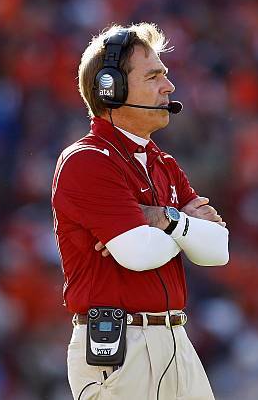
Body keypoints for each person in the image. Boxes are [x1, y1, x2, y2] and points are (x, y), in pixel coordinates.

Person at [51, 22, 229, 400]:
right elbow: (138, 253)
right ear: (110, 89)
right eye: (154, 76)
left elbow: (218, 250)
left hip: (177, 341)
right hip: (120, 348)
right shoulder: (87, 161)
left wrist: (167, 219)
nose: (169, 87)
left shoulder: (161, 162)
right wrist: (187, 227)